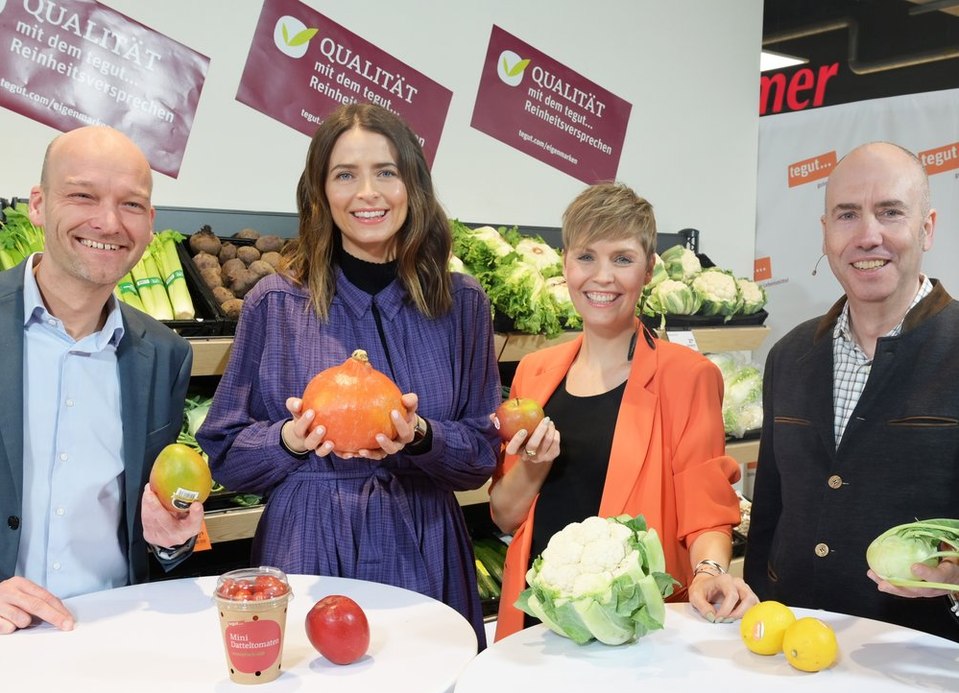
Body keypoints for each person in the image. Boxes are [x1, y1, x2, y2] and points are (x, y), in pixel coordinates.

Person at [196, 103, 502, 650]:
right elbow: (226, 455)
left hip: (424, 540)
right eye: (345, 174)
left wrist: (423, 436)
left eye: (386, 171)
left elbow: (481, 455)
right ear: (320, 193)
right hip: (307, 544)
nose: (368, 193)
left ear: (414, 184)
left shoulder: (463, 305)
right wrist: (287, 442)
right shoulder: (275, 302)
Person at [489, 182, 757, 641]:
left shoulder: (687, 376)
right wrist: (535, 467)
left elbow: (706, 508)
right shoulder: (534, 373)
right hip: (539, 625)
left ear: (649, 270)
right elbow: (504, 515)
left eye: (623, 259)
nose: (602, 277)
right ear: (565, 264)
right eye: (586, 256)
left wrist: (711, 570)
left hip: (631, 625)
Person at [744, 141, 959, 641]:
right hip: (793, 646)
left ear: (927, 227)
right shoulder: (789, 356)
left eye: (890, 213)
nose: (868, 236)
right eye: (847, 215)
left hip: (921, 664)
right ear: (825, 233)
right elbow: (770, 512)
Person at [0, 126, 202, 634]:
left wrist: (170, 540)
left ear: (150, 223)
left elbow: (155, 539)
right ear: (39, 206)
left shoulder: (164, 356)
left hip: (111, 634)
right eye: (83, 195)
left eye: (131, 205)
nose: (108, 222)